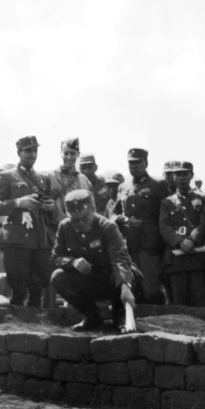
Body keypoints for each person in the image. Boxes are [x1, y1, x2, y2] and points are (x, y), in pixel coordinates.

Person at [50, 189, 138, 331]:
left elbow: (119, 259)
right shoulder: (65, 226)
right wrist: (72, 261)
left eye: (83, 217)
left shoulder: (108, 227)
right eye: (74, 218)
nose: (79, 222)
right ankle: (92, 316)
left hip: (109, 280)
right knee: (58, 277)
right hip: (87, 280)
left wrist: (125, 286)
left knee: (128, 276)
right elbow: (55, 258)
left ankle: (119, 316)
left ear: (93, 209)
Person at [0, 135, 57, 307]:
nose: (32, 154)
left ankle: (36, 319)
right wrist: (18, 203)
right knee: (18, 284)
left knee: (38, 283)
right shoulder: (7, 176)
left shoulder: (43, 178)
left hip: (40, 239)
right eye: (28, 151)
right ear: (19, 152)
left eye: (35, 151)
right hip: (17, 239)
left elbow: (48, 206)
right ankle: (17, 321)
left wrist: (51, 207)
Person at [112, 148, 170, 304]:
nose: (135, 166)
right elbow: (113, 212)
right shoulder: (123, 187)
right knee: (134, 285)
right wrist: (119, 218)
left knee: (151, 286)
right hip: (130, 243)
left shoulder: (158, 184)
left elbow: (166, 214)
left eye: (138, 162)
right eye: (131, 163)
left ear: (146, 163)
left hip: (149, 244)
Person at [159, 161, 205, 307]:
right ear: (173, 177)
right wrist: (179, 242)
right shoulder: (167, 202)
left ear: (191, 175)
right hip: (176, 257)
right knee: (180, 301)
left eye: (185, 174)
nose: (181, 178)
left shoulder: (203, 198)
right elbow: (164, 226)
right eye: (178, 174)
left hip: (197, 256)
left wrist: (192, 240)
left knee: (201, 299)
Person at [48, 138, 92, 231]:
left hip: (79, 229)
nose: (69, 157)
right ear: (60, 153)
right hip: (56, 228)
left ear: (78, 154)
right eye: (66, 153)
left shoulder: (84, 180)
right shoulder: (50, 177)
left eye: (72, 153)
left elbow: (90, 208)